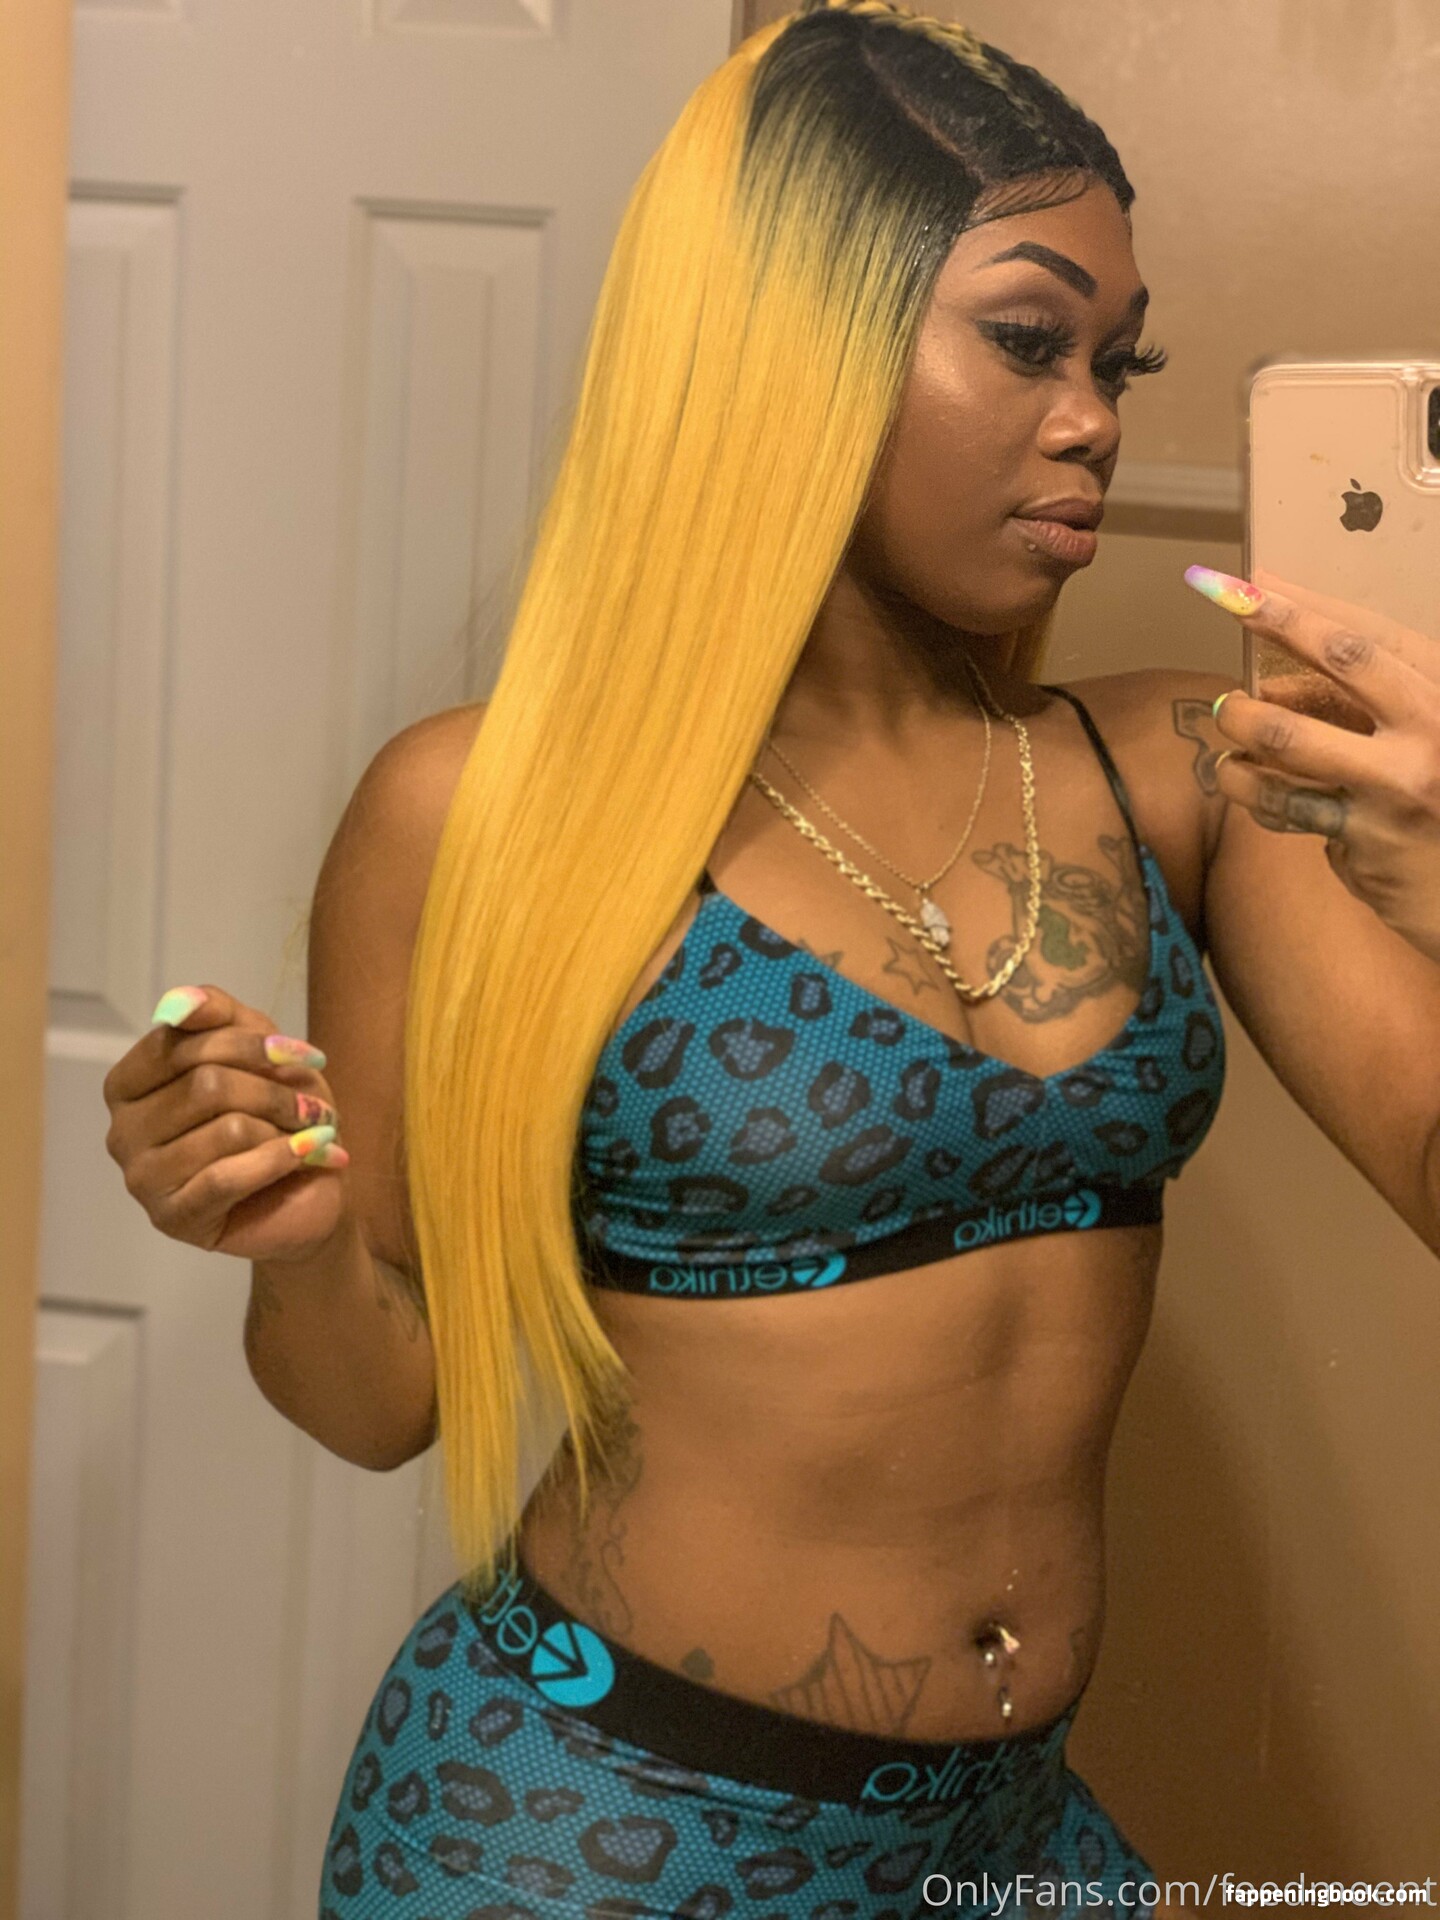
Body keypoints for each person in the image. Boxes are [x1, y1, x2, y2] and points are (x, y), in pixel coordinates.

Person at [101, 4, 1440, 1916]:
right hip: (588, 1837)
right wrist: (298, 1241)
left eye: (1118, 362)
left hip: (1004, 1845)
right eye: (1029, 339)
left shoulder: (1176, 776)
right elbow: (376, 1401)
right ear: (793, 340)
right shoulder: (482, 810)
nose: (1096, 417)